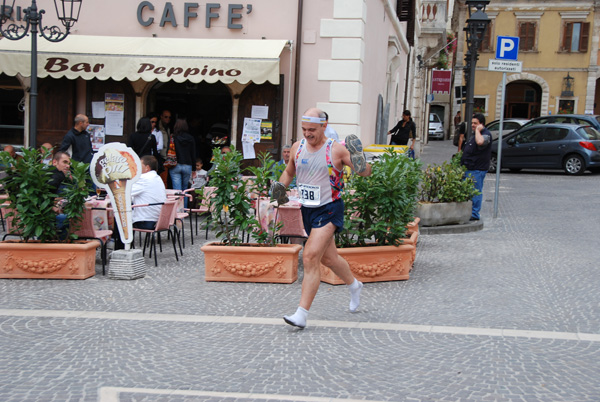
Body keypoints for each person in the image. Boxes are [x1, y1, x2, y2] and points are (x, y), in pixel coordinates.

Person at [274, 107, 372, 329]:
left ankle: (301, 314)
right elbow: (289, 172)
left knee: (309, 256)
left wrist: (358, 159)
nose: (307, 134)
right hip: (308, 209)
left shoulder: (335, 150)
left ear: (324, 126)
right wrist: (279, 191)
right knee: (329, 259)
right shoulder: (298, 148)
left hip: (329, 209)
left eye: (312, 130)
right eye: (304, 129)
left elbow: (366, 171)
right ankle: (355, 285)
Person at [460, 113, 492, 221]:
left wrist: (478, 130)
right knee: (469, 192)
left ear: (481, 124)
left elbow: (480, 142)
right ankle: (469, 212)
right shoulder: (474, 135)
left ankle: (474, 214)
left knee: (475, 192)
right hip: (469, 169)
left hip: (477, 170)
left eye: (475, 123)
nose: (472, 125)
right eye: (472, 123)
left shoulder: (485, 134)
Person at [131, 155, 167, 230]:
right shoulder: (157, 178)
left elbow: (125, 193)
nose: (137, 168)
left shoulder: (143, 178)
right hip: (159, 220)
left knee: (119, 219)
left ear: (147, 168)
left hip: (146, 220)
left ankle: (118, 241)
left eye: (140, 166)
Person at [169, 118, 196, 203]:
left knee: (177, 190)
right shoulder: (191, 138)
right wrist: (194, 169)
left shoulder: (173, 137)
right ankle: (184, 212)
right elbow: (193, 153)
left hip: (175, 165)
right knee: (185, 190)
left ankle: (178, 212)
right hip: (187, 165)